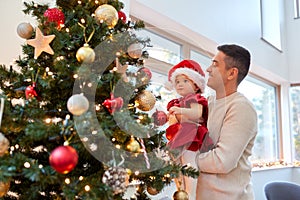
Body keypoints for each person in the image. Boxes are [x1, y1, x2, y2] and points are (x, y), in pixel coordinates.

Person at [196, 44, 258, 200]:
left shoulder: (241, 108)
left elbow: (221, 161)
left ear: (231, 73)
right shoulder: (207, 104)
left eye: (215, 64)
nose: (208, 69)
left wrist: (187, 159)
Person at [165, 60, 213, 199]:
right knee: (175, 163)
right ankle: (181, 191)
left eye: (185, 81)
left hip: (192, 135)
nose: (180, 84)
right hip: (179, 135)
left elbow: (196, 113)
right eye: (177, 81)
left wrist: (179, 110)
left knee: (189, 164)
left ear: (196, 85)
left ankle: (190, 195)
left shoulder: (195, 98)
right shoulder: (177, 102)